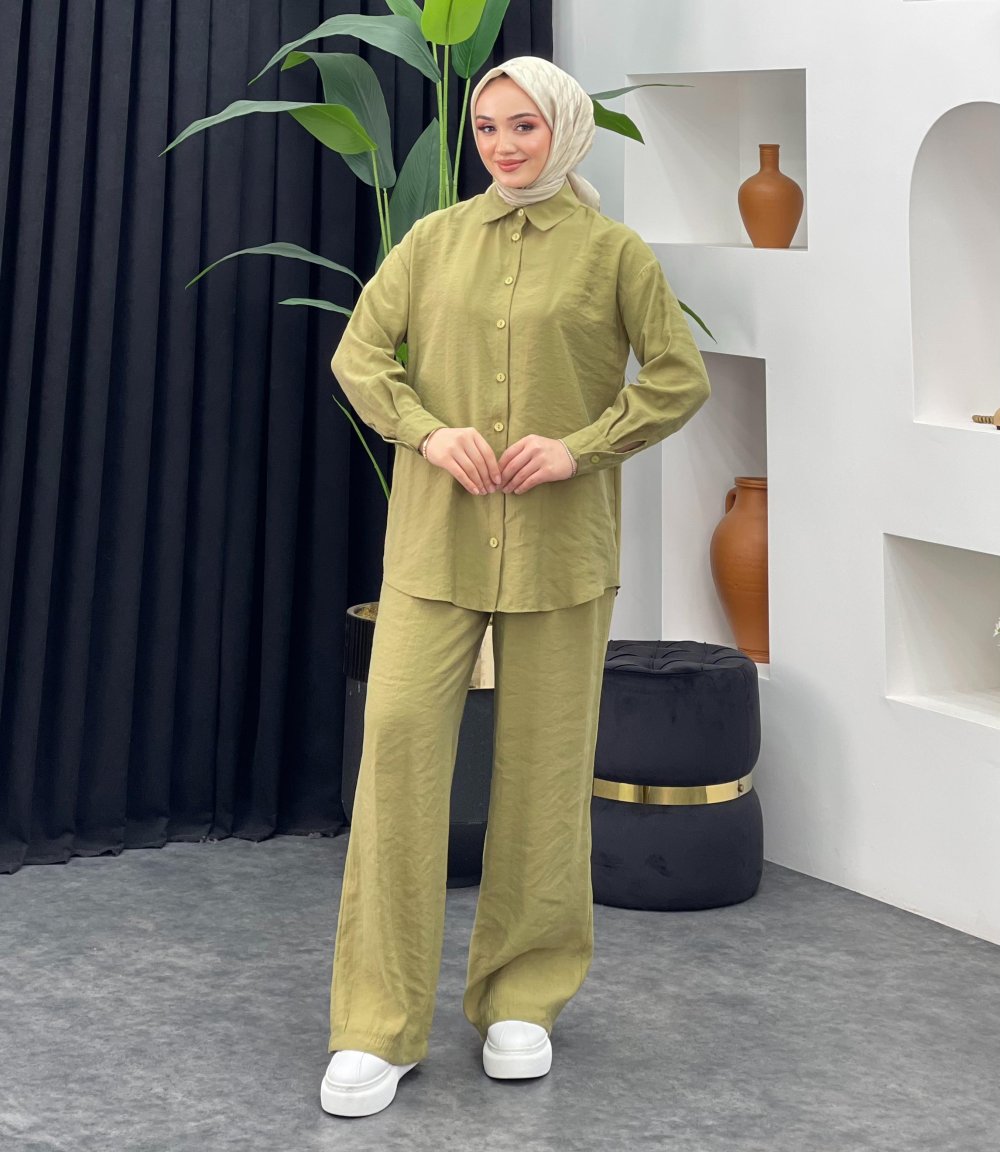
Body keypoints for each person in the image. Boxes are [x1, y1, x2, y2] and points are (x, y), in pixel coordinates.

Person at [320, 55, 711, 1118]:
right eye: (488, 126)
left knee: (544, 773)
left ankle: (522, 999)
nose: (501, 145)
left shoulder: (614, 254)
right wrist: (426, 431)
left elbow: (678, 377)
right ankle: (375, 1024)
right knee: (399, 753)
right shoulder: (432, 240)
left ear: (563, 132)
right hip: (434, 544)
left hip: (560, 549)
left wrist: (582, 446)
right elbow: (361, 354)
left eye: (523, 126)